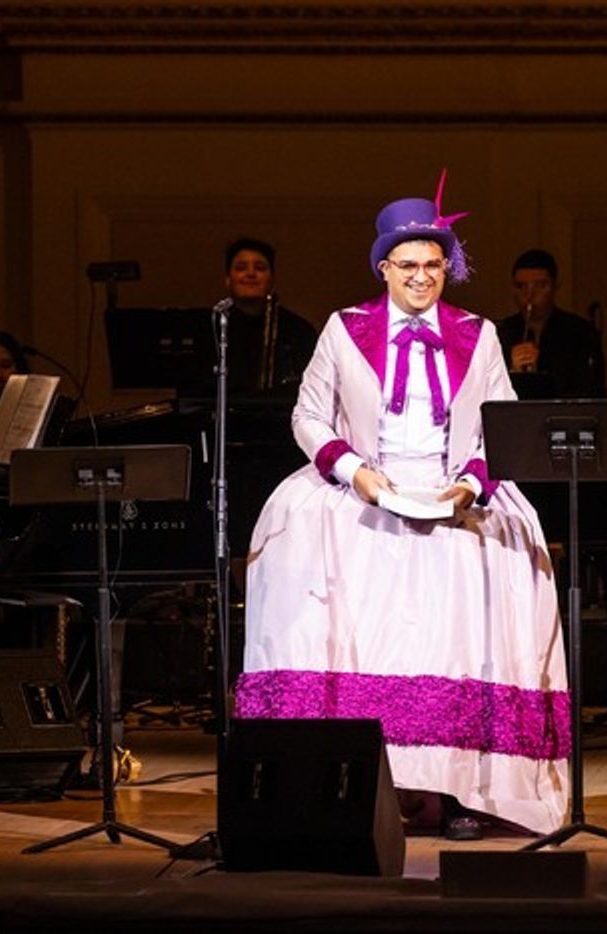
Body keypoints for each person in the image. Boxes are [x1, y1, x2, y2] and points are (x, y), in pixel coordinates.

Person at [234, 178, 570, 839]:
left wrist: (471, 485)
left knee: (479, 588)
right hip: (364, 489)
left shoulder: (477, 333)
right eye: (408, 265)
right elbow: (308, 414)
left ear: (447, 268)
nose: (422, 277)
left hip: (451, 492)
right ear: (384, 267)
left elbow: (501, 425)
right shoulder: (344, 328)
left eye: (434, 266)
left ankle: (459, 790)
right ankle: (357, 785)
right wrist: (354, 472)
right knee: (315, 588)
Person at [495, 249, 606, 398]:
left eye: (540, 285)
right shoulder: (501, 333)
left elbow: (592, 392)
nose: (529, 295)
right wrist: (513, 372)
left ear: (555, 287)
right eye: (521, 286)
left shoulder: (580, 333)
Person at [216, 237, 317, 393]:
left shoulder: (299, 331)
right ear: (228, 280)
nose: (250, 274)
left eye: (260, 268)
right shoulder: (214, 328)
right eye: (241, 268)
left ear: (272, 278)